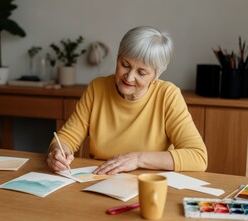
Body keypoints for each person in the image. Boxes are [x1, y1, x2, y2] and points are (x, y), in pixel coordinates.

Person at [47, 26, 207, 175]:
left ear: (156, 75)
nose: (129, 77)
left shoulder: (168, 95)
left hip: (148, 185)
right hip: (100, 180)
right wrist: (58, 151)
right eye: (124, 64)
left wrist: (137, 159)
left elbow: (197, 156)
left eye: (142, 72)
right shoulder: (97, 88)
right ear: (118, 58)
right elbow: (67, 137)